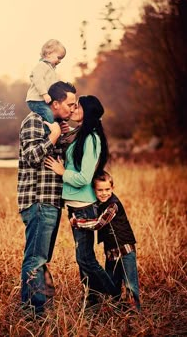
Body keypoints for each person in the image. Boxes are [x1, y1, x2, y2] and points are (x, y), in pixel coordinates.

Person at [45, 95, 119, 306]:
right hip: (76, 206)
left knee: (85, 258)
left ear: (87, 111)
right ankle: (92, 302)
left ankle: (116, 296)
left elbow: (84, 178)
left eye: (78, 106)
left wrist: (62, 171)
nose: (74, 109)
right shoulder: (80, 135)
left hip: (84, 207)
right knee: (83, 259)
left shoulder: (91, 138)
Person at [18, 81, 76, 317]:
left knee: (42, 257)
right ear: (55, 102)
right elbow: (31, 156)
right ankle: (33, 313)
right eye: (70, 104)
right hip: (38, 200)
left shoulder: (57, 125)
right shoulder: (34, 120)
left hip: (51, 201)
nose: (73, 109)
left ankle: (37, 308)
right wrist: (52, 137)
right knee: (35, 258)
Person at [70, 171, 141, 311]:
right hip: (111, 252)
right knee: (112, 281)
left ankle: (135, 312)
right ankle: (116, 308)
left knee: (130, 283)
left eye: (107, 189)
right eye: (100, 190)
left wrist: (78, 222)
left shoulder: (113, 205)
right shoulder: (98, 204)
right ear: (94, 191)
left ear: (112, 188)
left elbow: (98, 224)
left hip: (125, 250)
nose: (104, 193)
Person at [25, 39, 66, 124]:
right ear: (48, 54)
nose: (60, 61)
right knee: (49, 115)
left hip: (44, 100)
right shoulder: (42, 65)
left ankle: (55, 129)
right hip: (36, 100)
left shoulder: (51, 69)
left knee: (55, 116)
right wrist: (44, 93)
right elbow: (38, 79)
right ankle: (49, 133)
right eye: (59, 57)